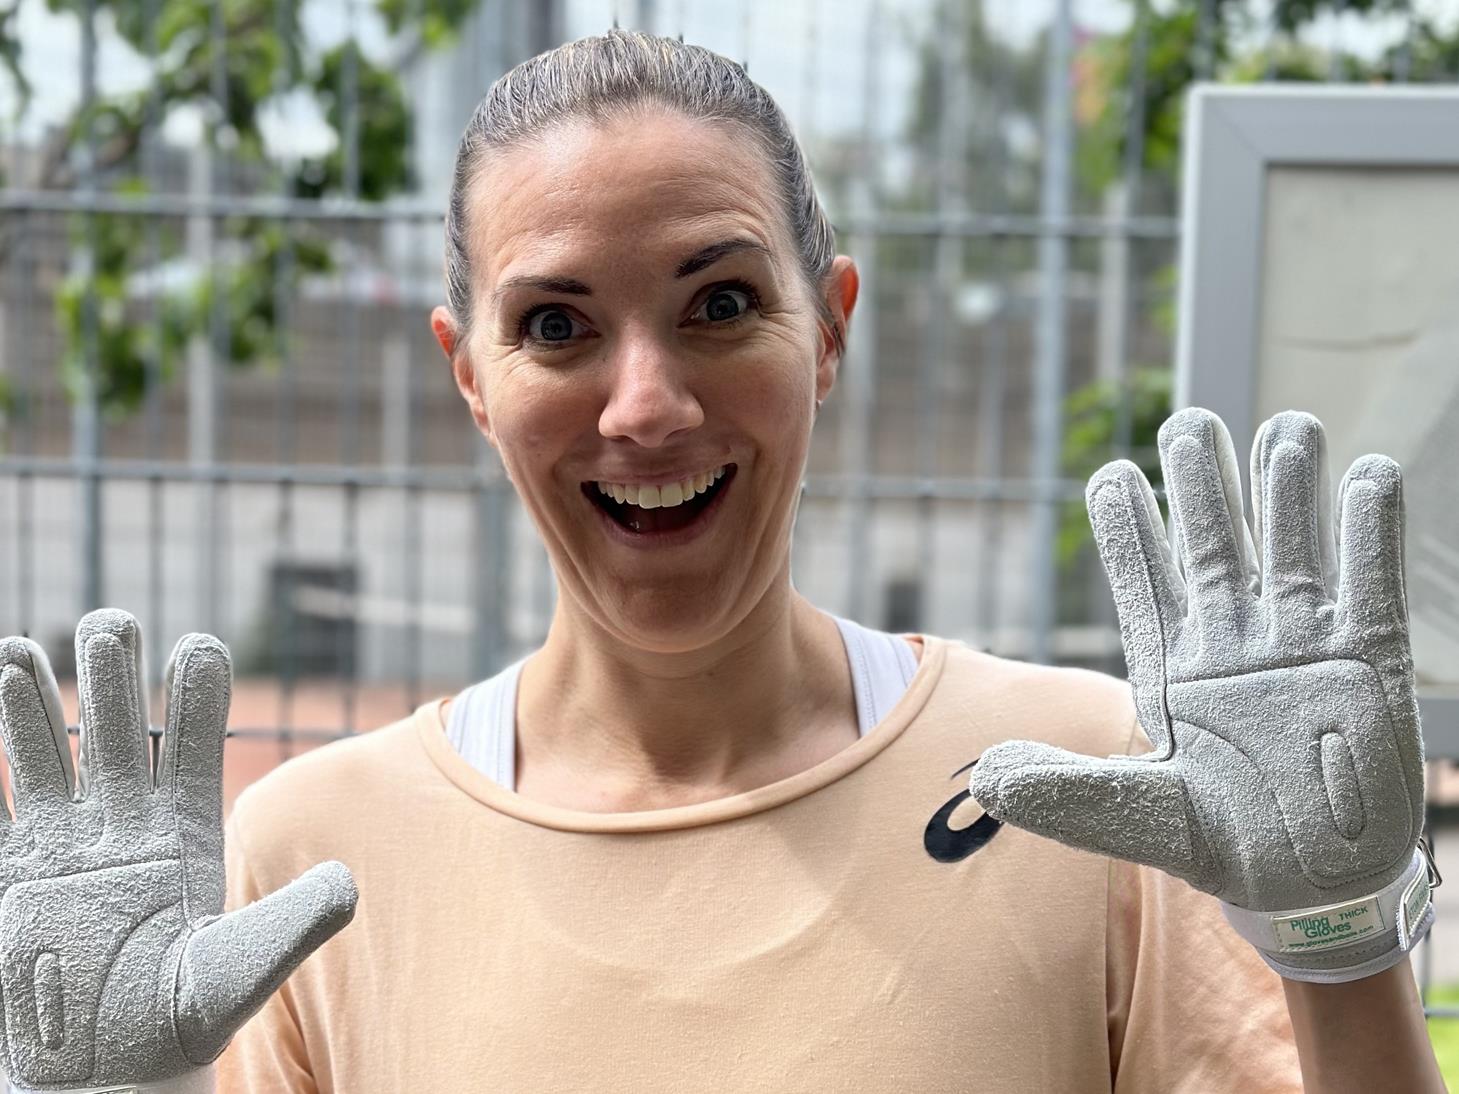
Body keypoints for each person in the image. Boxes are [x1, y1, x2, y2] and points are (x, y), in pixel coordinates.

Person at [0, 29, 1444, 1094]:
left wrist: (1335, 938)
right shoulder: (310, 861)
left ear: (828, 330)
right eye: (557, 326)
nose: (645, 405)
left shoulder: (1090, 784)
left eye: (720, 301)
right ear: (470, 375)